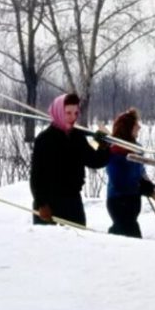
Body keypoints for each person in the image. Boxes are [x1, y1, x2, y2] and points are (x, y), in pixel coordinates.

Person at [29, 93, 110, 226]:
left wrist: (101, 142)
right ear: (59, 112)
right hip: (49, 206)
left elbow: (92, 159)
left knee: (77, 244)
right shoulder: (44, 140)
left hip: (73, 203)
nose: (73, 117)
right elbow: (36, 177)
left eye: (76, 113)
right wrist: (41, 204)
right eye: (68, 113)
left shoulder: (77, 137)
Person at [105, 108, 155, 238]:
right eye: (136, 125)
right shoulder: (116, 150)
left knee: (122, 235)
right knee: (132, 236)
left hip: (132, 201)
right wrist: (139, 187)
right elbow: (118, 181)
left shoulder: (136, 148)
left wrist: (147, 183)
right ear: (128, 128)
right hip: (119, 201)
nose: (139, 127)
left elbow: (140, 170)